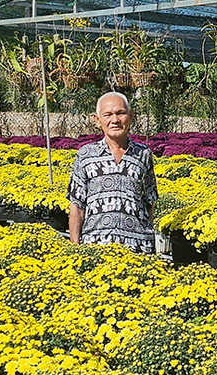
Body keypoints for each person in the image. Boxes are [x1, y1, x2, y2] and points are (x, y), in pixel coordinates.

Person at [67, 90, 159, 253]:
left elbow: (149, 200)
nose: (115, 120)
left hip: (138, 249)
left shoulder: (143, 154)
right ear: (97, 120)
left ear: (131, 116)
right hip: (96, 247)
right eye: (108, 114)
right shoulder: (86, 154)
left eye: (121, 113)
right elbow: (77, 205)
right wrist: (75, 249)